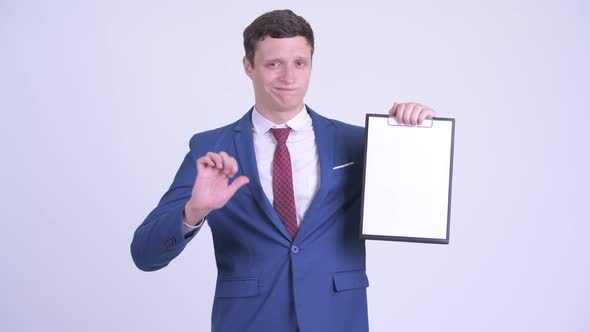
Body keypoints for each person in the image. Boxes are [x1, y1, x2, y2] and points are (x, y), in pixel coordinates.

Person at [131, 9, 434, 332]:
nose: (289, 77)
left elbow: (416, 206)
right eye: (274, 64)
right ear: (249, 67)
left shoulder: (358, 142)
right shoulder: (210, 149)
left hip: (336, 319)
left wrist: (410, 135)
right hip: (249, 322)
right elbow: (145, 255)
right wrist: (194, 210)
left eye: (300, 63)